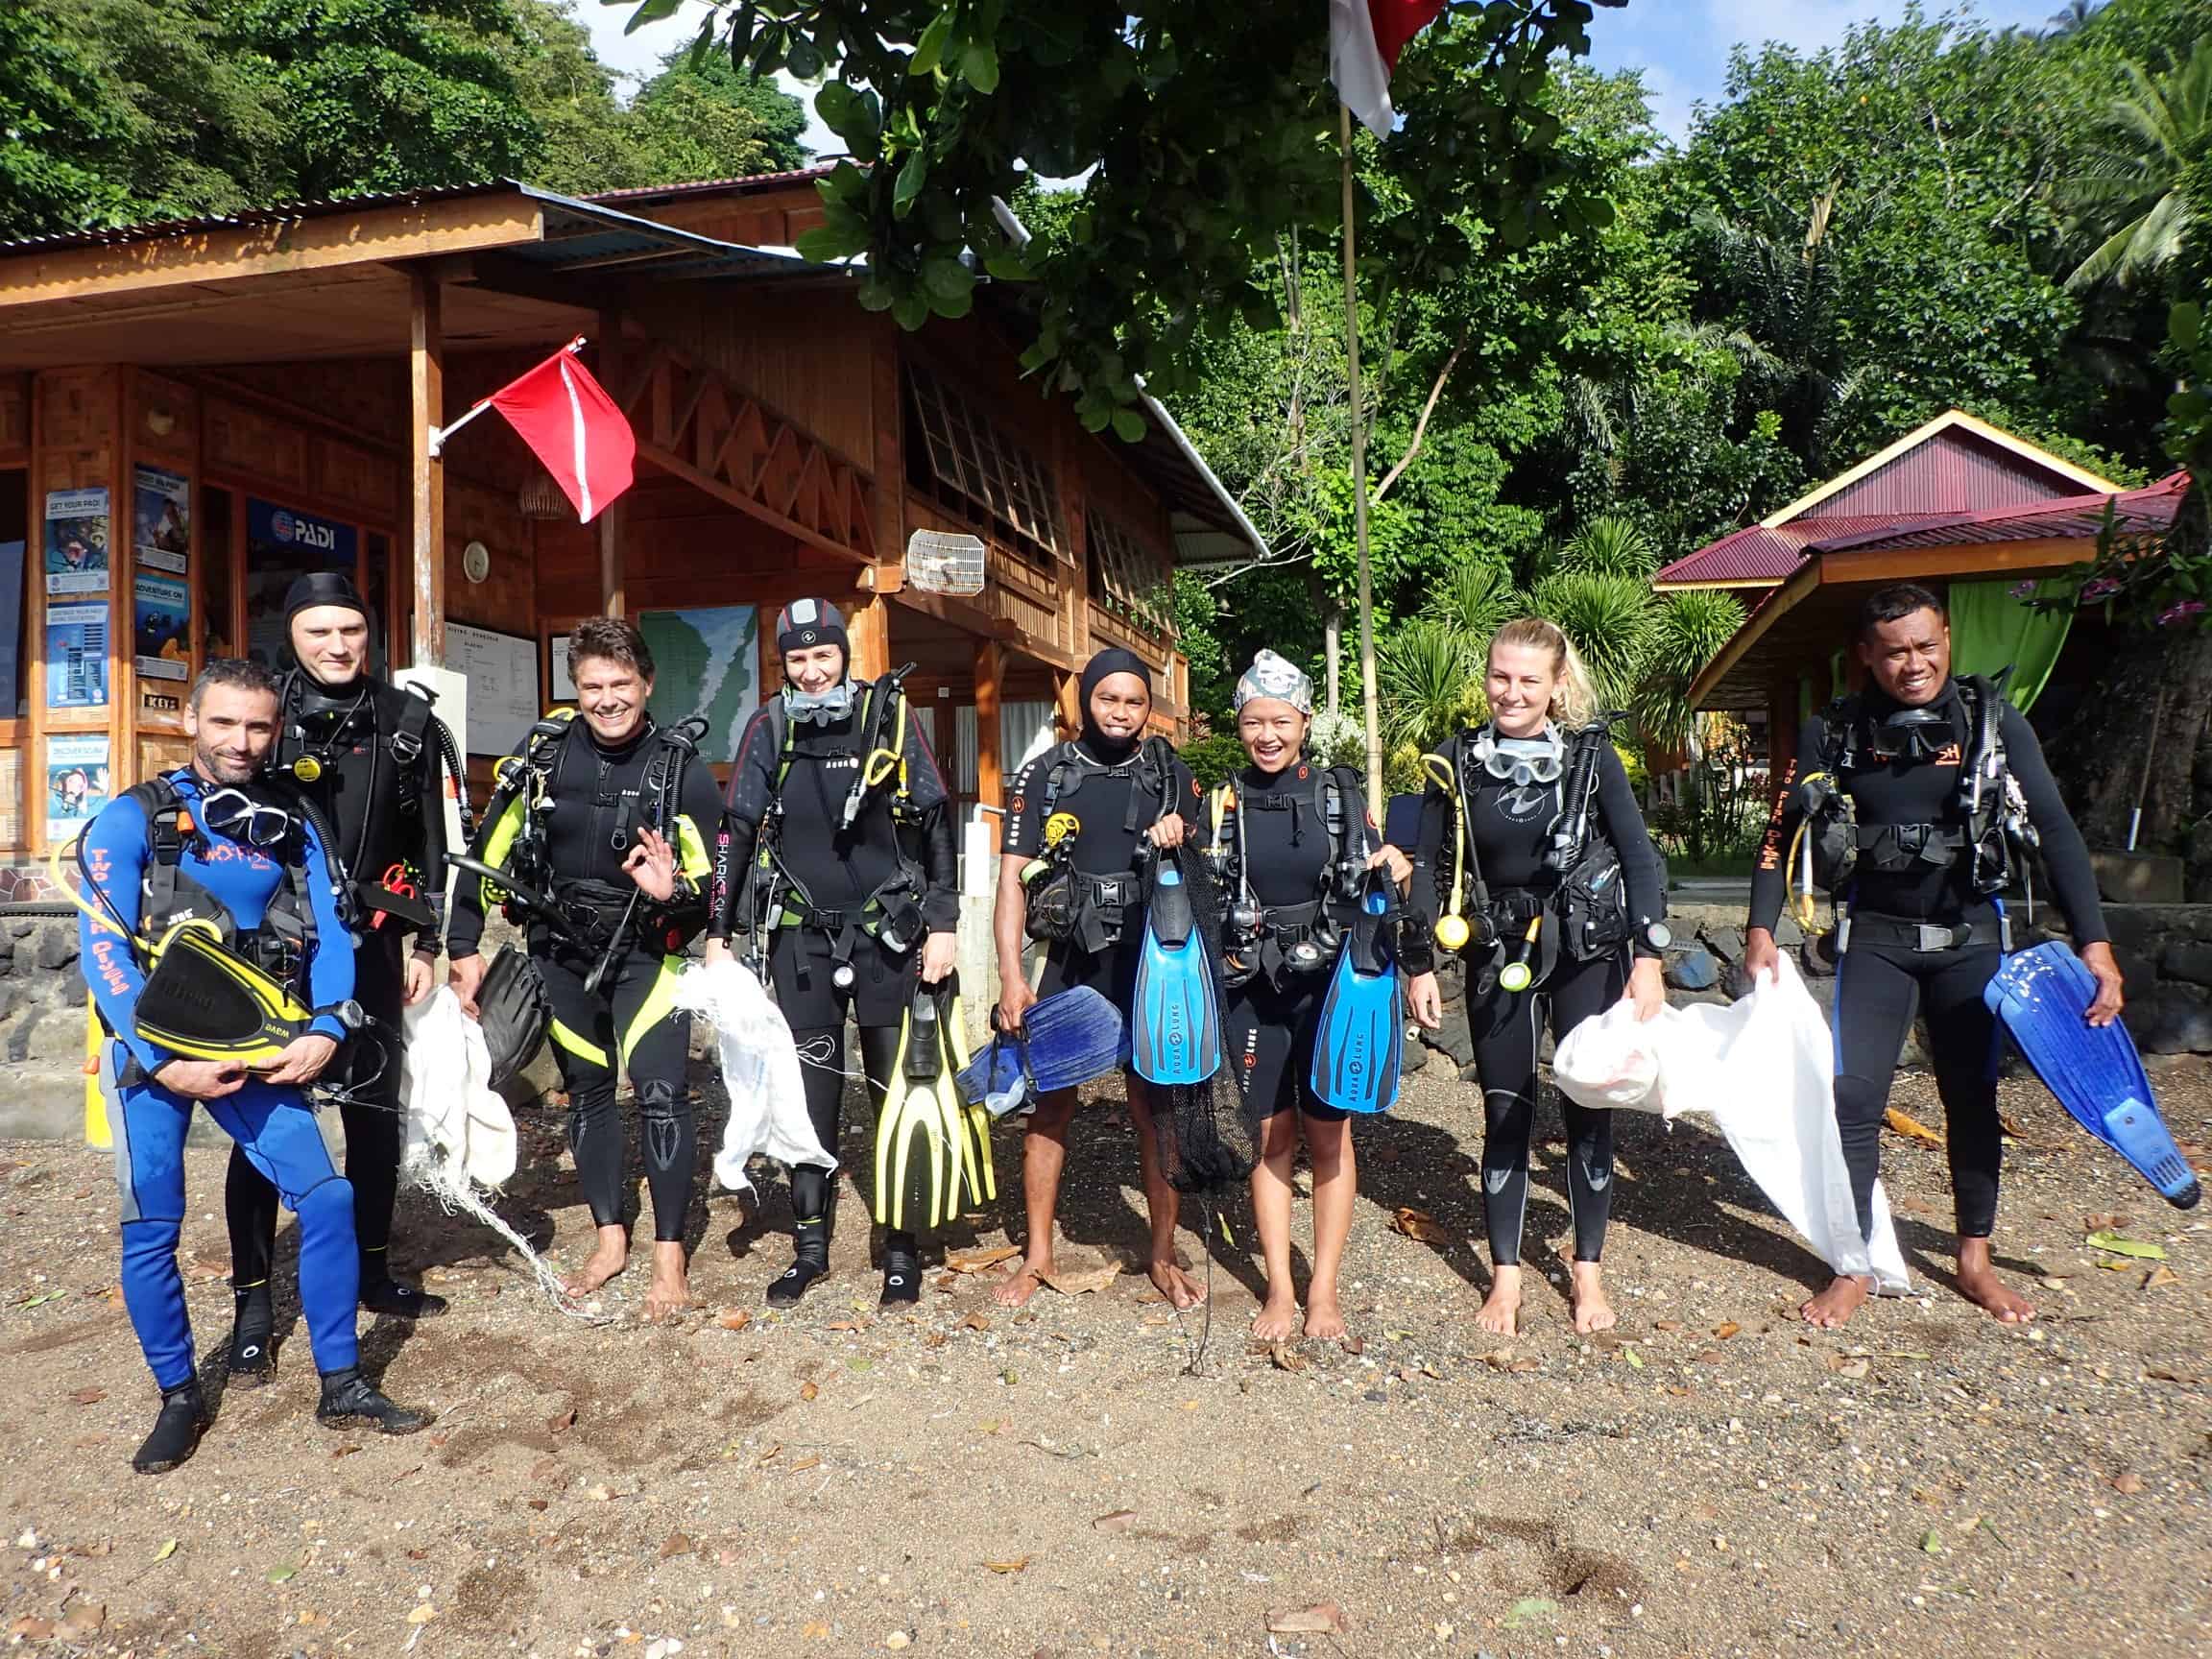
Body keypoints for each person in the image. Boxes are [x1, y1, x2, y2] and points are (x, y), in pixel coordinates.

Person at [75, 659, 429, 1474]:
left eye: (258, 726)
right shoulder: (132, 820)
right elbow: (103, 956)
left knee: (328, 1197)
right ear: (191, 721)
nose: (241, 741)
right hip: (153, 1060)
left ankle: (341, 1382)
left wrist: (328, 1027)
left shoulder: (292, 821)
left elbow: (332, 937)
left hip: (258, 1045)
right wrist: (163, 1062)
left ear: (276, 730)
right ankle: (178, 1396)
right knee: (151, 1225)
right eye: (224, 723)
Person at [1744, 583, 2119, 1329]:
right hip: (1876, 939)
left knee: (1971, 1097)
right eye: (1894, 652)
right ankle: (1854, 1263)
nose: (1913, 664)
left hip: (1969, 937)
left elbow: (2055, 830)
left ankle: (1973, 1258)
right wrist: (1760, 930)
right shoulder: (1834, 730)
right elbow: (1780, 835)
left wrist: (2096, 944)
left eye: (1926, 645)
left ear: (1947, 637)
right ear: (1865, 655)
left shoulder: (1993, 722)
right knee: (1854, 1102)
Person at [448, 616, 723, 1319]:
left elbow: (716, 885)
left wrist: (673, 894)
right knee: (589, 1091)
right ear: (575, 687)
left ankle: (669, 1254)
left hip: (646, 952)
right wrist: (463, 944)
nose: (606, 700)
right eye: (592, 686)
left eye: (620, 684)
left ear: (647, 683)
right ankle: (609, 1240)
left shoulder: (679, 769)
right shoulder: (543, 755)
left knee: (661, 1092)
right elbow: (488, 851)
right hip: (560, 950)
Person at [1403, 618, 1669, 1336]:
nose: (1512, 693)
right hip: (1498, 953)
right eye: (1501, 676)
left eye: (1529, 680)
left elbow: (1639, 858)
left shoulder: (1591, 756)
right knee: (1505, 1112)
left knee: (1588, 1108)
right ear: (1485, 677)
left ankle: (1587, 1271)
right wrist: (1418, 963)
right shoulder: (1454, 761)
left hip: (1586, 952)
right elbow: (1425, 867)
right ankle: (1506, 1279)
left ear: (1556, 686)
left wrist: (1649, 960)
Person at [223, 573, 458, 1385]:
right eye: (318, 631)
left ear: (370, 634)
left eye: (350, 630)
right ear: (292, 635)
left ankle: (372, 1270)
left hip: (374, 943)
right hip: (274, 953)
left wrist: (429, 944)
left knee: (374, 1114)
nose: (336, 645)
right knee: (263, 1119)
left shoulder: (406, 721)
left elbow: (429, 844)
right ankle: (253, 1306)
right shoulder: (264, 716)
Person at [705, 599, 960, 1307]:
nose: (813, 672)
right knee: (808, 1098)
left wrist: (943, 922)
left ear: (845, 655)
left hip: (887, 937)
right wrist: (719, 935)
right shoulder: (770, 726)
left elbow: (935, 819)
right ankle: (810, 1249)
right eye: (798, 659)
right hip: (803, 941)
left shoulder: (888, 716)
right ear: (783, 663)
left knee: (894, 1096)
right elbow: (735, 833)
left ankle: (901, 1248)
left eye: (825, 656)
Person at [1199, 652, 1411, 1341]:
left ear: (1305, 721)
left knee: (1329, 1135)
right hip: (1251, 985)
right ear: (1239, 723)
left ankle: (1323, 1290)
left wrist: (1397, 865)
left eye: (1281, 722)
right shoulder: (1220, 802)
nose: (1267, 735)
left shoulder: (1339, 795)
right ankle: (1280, 1290)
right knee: (1270, 1137)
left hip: (1328, 985)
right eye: (1253, 722)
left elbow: (1381, 879)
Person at [992, 647, 1202, 1309]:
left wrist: (1182, 835)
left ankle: (1162, 1254)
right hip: (1069, 958)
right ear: (1085, 700)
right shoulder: (1047, 773)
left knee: (1157, 1108)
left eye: (1134, 701)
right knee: (1050, 1105)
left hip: (1149, 962)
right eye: (1108, 698)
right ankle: (1038, 1254)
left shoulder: (1170, 773)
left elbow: (1203, 870)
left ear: (1148, 708)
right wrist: (1010, 977)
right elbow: (1010, 881)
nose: (1120, 712)